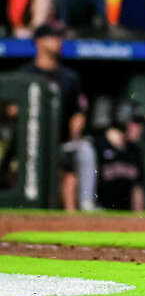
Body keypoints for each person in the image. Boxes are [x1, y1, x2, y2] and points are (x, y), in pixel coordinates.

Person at [20, 22, 97, 211]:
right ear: (38, 42)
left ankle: (85, 203)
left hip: (63, 140)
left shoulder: (69, 77)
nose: (57, 41)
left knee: (84, 150)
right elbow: (12, 110)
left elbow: (78, 111)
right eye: (52, 37)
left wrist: (76, 128)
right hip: (32, 141)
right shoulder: (24, 74)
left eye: (59, 37)